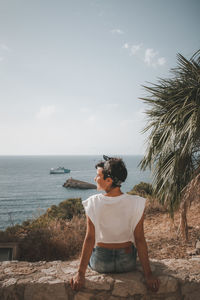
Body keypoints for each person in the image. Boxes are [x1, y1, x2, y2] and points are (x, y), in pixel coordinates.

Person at [70, 155, 160, 292]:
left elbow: (89, 239)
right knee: (132, 245)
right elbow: (140, 239)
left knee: (93, 248)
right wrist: (148, 274)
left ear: (109, 180)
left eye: (97, 176)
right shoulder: (137, 202)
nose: (95, 179)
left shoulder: (93, 202)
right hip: (127, 262)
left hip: (101, 263)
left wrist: (80, 274)